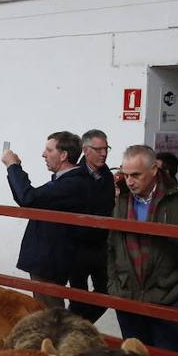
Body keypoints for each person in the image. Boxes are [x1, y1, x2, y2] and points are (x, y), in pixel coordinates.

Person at [107, 144, 178, 356]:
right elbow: (111, 245)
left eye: (136, 175)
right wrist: (114, 285)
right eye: (125, 174)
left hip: (169, 297)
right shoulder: (121, 199)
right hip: (128, 295)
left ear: (154, 169)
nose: (129, 181)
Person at [1, 131, 94, 312]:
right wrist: (14, 168)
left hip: (50, 260)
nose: (44, 154)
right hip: (48, 258)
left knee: (50, 315)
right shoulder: (67, 180)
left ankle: (56, 340)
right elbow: (28, 200)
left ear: (63, 155)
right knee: (46, 311)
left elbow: (28, 198)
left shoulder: (71, 183)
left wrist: (13, 167)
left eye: (49, 150)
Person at [70, 129, 118, 322]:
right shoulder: (74, 175)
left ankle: (79, 327)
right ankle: (74, 333)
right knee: (78, 300)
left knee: (107, 292)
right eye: (98, 149)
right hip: (78, 247)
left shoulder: (107, 175)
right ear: (85, 150)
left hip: (101, 246)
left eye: (106, 148)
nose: (104, 153)